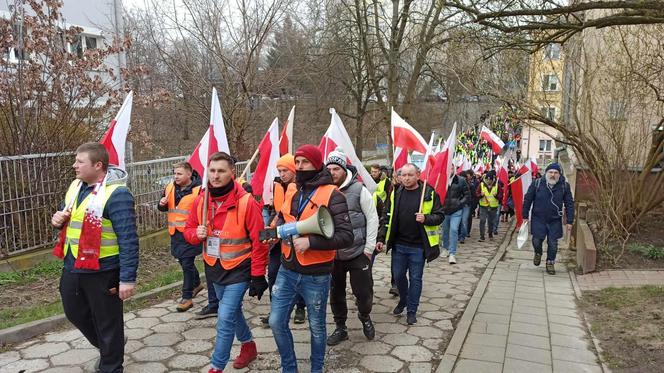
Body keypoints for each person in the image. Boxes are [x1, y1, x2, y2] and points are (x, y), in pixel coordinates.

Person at [51, 142, 138, 373]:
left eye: (80, 161)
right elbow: (69, 216)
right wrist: (57, 219)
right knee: (74, 312)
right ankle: (111, 346)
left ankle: (111, 366)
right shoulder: (75, 186)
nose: (74, 165)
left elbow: (128, 239)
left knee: (108, 323)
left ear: (98, 165)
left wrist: (127, 279)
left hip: (104, 271)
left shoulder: (117, 194)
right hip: (73, 265)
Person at [267, 144, 353, 373]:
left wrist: (311, 242)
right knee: (276, 321)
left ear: (317, 164)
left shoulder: (333, 194)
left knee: (316, 327)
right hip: (287, 268)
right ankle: (289, 367)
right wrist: (275, 232)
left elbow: (346, 236)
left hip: (316, 273)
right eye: (297, 162)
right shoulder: (293, 188)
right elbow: (285, 216)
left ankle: (317, 368)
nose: (299, 167)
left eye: (305, 162)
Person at [183, 152, 269, 373]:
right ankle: (248, 346)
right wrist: (196, 234)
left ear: (232, 173)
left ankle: (216, 366)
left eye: (221, 171)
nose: (215, 176)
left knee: (224, 317)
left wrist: (258, 275)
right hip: (214, 267)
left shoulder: (247, 202)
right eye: (212, 171)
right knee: (232, 312)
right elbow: (188, 231)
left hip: (239, 269)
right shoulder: (201, 199)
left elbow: (260, 242)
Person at [376, 163, 444, 325]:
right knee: (398, 277)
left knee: (415, 279)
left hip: (418, 247)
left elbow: (440, 215)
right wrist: (381, 237)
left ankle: (412, 310)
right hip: (399, 245)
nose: (406, 178)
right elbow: (387, 216)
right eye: (403, 175)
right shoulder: (396, 192)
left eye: (410, 175)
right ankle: (403, 300)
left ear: (418, 175)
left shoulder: (428, 192)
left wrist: (426, 218)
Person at [325, 149, 378, 346]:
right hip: (333, 254)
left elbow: (372, 218)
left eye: (336, 168)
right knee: (336, 293)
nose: (332, 172)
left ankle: (365, 316)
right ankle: (341, 328)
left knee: (363, 293)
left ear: (344, 169)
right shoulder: (324, 191)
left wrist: (368, 249)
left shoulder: (359, 189)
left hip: (358, 252)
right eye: (328, 168)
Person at [260, 154, 307, 326]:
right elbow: (278, 212)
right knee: (272, 273)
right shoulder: (278, 186)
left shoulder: (304, 188)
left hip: (296, 239)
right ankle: (276, 311)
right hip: (279, 240)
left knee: (299, 275)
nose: (282, 174)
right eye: (279, 170)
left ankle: (301, 307)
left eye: (285, 170)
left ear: (294, 170)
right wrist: (271, 229)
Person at [157, 161, 204, 312]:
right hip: (175, 232)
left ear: (189, 174)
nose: (175, 176)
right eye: (174, 173)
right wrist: (161, 203)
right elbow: (163, 207)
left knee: (186, 263)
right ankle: (196, 283)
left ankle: (187, 297)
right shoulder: (170, 187)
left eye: (179, 174)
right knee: (183, 261)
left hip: (190, 233)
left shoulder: (199, 190)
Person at [522, 163, 574, 275]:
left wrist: (570, 221)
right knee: (536, 240)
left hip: (554, 220)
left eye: (555, 173)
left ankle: (550, 263)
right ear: (546, 173)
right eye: (551, 172)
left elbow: (569, 204)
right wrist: (525, 216)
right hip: (538, 218)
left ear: (559, 175)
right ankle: (538, 252)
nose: (553, 175)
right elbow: (527, 199)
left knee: (553, 244)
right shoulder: (537, 184)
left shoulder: (564, 186)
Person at [441, 173, 470, 264]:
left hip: (456, 210)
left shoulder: (460, 180)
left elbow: (467, 195)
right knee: (445, 230)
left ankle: (452, 253)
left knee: (453, 229)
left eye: (452, 167)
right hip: (444, 210)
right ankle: (445, 248)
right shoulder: (442, 178)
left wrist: (459, 203)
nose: (450, 169)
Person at [477, 173, 502, 242]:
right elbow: (477, 194)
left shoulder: (497, 186)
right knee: (482, 220)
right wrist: (480, 195)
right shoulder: (481, 185)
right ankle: (482, 236)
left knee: (491, 222)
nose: (488, 181)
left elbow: (501, 196)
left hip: (493, 207)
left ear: (492, 180)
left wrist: (496, 196)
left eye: (489, 179)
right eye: (487, 179)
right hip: (483, 206)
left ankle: (490, 233)